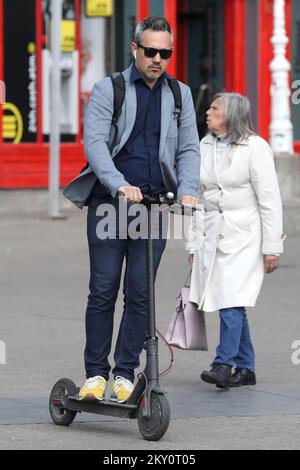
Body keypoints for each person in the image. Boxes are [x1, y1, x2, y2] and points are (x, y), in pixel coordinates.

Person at [64, 16, 200, 402]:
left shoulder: (180, 94)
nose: (158, 58)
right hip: (111, 205)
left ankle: (124, 374)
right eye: (151, 51)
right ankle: (95, 374)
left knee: (141, 294)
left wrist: (188, 190)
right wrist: (119, 184)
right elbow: (95, 145)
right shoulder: (109, 89)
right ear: (135, 48)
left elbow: (189, 148)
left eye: (166, 53)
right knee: (103, 290)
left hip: (155, 208)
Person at [186, 92, 285, 390]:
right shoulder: (203, 145)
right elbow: (195, 198)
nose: (208, 112)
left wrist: (272, 247)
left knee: (230, 298)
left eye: (215, 109)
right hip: (211, 233)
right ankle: (246, 367)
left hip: (244, 236)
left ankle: (223, 364)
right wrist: (192, 244)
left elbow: (270, 201)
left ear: (232, 115)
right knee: (233, 299)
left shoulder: (256, 148)